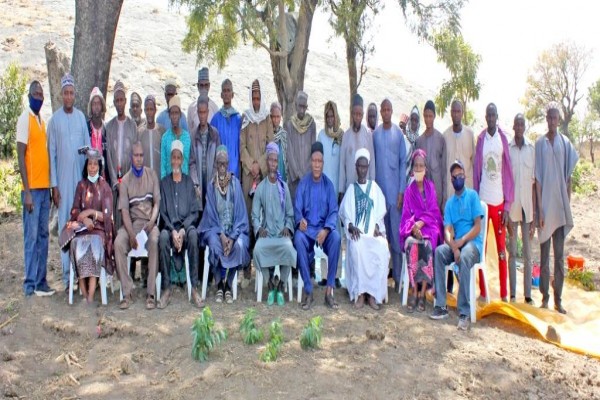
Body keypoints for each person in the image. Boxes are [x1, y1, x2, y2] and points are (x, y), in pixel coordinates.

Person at [535, 103, 579, 314]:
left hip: (560, 209)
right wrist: (539, 211)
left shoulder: (565, 143)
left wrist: (566, 204)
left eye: (555, 118)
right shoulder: (540, 144)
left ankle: (558, 300)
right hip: (545, 209)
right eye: (549, 118)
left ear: (559, 120)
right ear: (546, 119)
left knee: (559, 257)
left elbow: (568, 178)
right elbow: (538, 180)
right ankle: (544, 297)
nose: (552, 121)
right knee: (544, 256)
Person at [430, 160, 484, 331]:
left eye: (461, 175)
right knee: (439, 252)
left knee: (466, 255)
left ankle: (464, 312)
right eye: (455, 177)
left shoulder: (473, 196)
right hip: (457, 245)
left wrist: (461, 241)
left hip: (472, 244)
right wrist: (453, 246)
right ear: (451, 180)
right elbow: (447, 229)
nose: (458, 178)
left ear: (465, 176)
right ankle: (441, 306)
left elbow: (477, 227)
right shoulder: (450, 203)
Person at [48, 73, 90, 290]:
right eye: (65, 93)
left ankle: (80, 273)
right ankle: (66, 277)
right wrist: (54, 186)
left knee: (81, 227)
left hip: (79, 183)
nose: (68, 96)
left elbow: (86, 150)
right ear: (61, 95)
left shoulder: (81, 118)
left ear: (75, 95)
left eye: (71, 93)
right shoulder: (54, 121)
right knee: (66, 226)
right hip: (62, 184)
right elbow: (51, 155)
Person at [198, 146, 250, 304]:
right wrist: (221, 235)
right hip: (216, 231)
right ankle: (219, 284)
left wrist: (232, 238)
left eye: (224, 164)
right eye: (219, 163)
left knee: (240, 246)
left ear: (228, 164)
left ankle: (228, 285)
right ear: (215, 164)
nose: (221, 167)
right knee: (213, 244)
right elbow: (211, 215)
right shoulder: (211, 186)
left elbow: (241, 216)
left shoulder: (235, 184)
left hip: (234, 231)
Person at [17, 80, 54, 297]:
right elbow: (21, 155)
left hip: (44, 190)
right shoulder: (25, 119)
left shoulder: (41, 120)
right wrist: (27, 191)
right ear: (29, 95)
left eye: (41, 94)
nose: (38, 97)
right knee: (30, 237)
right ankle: (29, 283)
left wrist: (48, 189)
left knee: (42, 235)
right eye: (35, 93)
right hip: (31, 192)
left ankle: (41, 281)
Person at [473, 103, 514, 302]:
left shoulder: (503, 139)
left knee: (500, 250)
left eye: (493, 115)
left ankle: (504, 293)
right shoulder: (480, 139)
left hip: (498, 202)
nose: (490, 118)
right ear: (485, 116)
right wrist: (475, 202)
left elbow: (508, 173)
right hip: (482, 202)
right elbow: (475, 172)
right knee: (480, 248)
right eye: (487, 115)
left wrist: (507, 206)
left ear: (497, 117)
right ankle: (482, 291)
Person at [339, 148, 389, 310]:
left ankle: (373, 294)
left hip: (372, 235)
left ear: (368, 167)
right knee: (357, 247)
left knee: (381, 247)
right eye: (359, 167)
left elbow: (380, 212)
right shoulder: (351, 189)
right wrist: (351, 226)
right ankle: (360, 294)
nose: (362, 170)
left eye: (365, 167)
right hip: (359, 235)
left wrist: (376, 226)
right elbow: (345, 215)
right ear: (355, 167)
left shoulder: (374, 187)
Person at [293, 142, 341, 310]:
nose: (316, 164)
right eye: (314, 161)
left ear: (323, 163)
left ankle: (329, 290)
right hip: (308, 231)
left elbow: (334, 211)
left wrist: (327, 230)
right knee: (298, 238)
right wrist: (300, 220)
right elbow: (297, 208)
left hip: (323, 230)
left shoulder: (328, 185)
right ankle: (308, 290)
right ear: (310, 162)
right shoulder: (303, 184)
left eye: (319, 161)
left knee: (336, 238)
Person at [114, 142, 160, 310]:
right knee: (118, 243)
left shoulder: (152, 175)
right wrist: (131, 234)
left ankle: (151, 294)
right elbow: (124, 211)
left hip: (149, 224)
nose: (139, 159)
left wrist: (152, 222)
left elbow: (156, 204)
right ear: (131, 157)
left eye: (141, 155)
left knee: (155, 241)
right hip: (131, 225)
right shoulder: (125, 180)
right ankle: (127, 293)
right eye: (136, 155)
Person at [158, 140, 203, 309]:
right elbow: (163, 212)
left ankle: (194, 289)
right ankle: (166, 289)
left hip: (185, 229)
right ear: (170, 160)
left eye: (179, 158)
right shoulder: (164, 183)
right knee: (162, 238)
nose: (176, 161)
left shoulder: (188, 182)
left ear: (182, 161)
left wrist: (183, 230)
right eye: (173, 158)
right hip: (170, 230)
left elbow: (194, 212)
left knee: (193, 235)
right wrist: (172, 231)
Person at [66, 149, 114, 304]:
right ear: (86, 166)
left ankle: (91, 296)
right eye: (90, 164)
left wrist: (90, 212)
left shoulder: (104, 186)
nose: (92, 167)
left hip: (99, 230)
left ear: (99, 167)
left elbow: (107, 216)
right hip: (82, 229)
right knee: (76, 245)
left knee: (94, 245)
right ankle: (85, 294)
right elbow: (75, 211)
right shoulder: (81, 186)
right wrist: (84, 219)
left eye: (95, 164)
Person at [251, 143, 297, 306]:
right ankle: (270, 283)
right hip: (267, 235)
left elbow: (290, 213)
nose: (272, 163)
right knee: (257, 250)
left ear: (278, 163)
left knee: (290, 250)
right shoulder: (261, 188)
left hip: (281, 235)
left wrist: (288, 227)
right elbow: (255, 215)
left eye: (275, 160)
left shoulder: (283, 187)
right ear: (267, 162)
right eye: (270, 160)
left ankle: (282, 284)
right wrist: (259, 228)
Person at [399, 149, 444, 312]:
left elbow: (434, 212)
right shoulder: (409, 191)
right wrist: (413, 227)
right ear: (412, 169)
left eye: (421, 166)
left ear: (425, 169)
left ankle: (423, 293)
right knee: (411, 244)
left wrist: (421, 223)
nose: (418, 169)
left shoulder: (430, 187)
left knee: (426, 244)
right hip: (413, 230)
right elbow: (405, 215)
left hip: (429, 227)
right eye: (416, 166)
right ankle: (414, 290)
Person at [373, 99, 406, 287]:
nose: (386, 112)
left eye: (388, 109)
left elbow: (403, 163)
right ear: (380, 112)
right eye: (383, 109)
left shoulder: (398, 135)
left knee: (395, 237)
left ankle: (400, 279)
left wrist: (401, 191)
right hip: (379, 197)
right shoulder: (375, 135)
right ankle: (380, 279)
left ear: (392, 111)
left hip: (395, 196)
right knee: (380, 238)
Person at [508, 114, 536, 305]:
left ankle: (527, 295)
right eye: (516, 123)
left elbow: (534, 184)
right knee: (512, 253)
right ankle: (512, 295)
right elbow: (505, 182)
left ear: (524, 127)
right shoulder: (507, 150)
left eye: (521, 124)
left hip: (527, 208)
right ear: (513, 126)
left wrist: (534, 215)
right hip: (512, 208)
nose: (519, 127)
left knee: (527, 253)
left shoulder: (531, 150)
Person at [316, 100, 344, 287]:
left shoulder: (341, 137)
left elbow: (342, 164)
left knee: (337, 233)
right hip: (323, 191)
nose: (330, 119)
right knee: (324, 231)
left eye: (332, 116)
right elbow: (317, 164)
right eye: (327, 116)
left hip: (337, 191)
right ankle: (325, 276)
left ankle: (336, 275)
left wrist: (341, 189)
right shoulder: (321, 135)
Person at [105, 80, 138, 230]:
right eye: (116, 101)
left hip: (128, 179)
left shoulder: (132, 126)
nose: (119, 103)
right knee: (115, 219)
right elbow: (109, 158)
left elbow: (135, 155)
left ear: (125, 101)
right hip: (114, 182)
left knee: (128, 217)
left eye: (121, 100)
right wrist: (115, 182)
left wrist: (126, 181)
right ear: (114, 102)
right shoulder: (109, 126)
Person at [241, 79, 274, 220]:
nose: (256, 102)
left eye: (258, 99)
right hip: (248, 174)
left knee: (263, 210)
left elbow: (271, 145)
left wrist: (259, 166)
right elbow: (241, 146)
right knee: (248, 211)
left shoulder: (267, 118)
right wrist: (251, 166)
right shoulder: (246, 117)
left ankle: (262, 242)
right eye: (253, 98)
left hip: (263, 173)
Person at [339, 94, 376, 202]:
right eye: (355, 114)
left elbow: (372, 161)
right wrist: (341, 190)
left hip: (365, 189)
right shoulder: (346, 136)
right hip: (349, 189)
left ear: (363, 115)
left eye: (360, 114)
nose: (357, 117)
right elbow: (342, 164)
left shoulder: (368, 135)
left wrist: (372, 186)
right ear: (352, 114)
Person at [189, 95, 221, 209]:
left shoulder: (214, 134)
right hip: (198, 179)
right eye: (200, 113)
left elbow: (217, 161)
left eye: (204, 112)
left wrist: (212, 181)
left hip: (211, 179)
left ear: (208, 112)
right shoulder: (193, 135)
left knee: (210, 207)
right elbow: (191, 162)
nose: (202, 116)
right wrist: (195, 183)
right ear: (197, 113)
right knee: (198, 210)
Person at [285, 91, 317, 200]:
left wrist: (307, 173)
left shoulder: (311, 124)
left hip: (308, 176)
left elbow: (313, 150)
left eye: (304, 107)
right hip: (294, 178)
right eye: (300, 106)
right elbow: (289, 152)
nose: (302, 110)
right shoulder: (290, 125)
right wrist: (298, 173)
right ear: (295, 105)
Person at [415, 100, 446, 211]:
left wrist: (444, 197)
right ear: (423, 116)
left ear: (434, 117)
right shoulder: (419, 141)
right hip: (423, 191)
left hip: (438, 191)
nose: (428, 119)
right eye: (426, 116)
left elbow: (444, 170)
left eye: (430, 116)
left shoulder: (440, 139)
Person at [443, 100, 474, 202]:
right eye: (454, 111)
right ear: (451, 113)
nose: (456, 114)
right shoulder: (445, 136)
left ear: (462, 113)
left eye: (458, 111)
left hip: (467, 188)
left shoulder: (470, 134)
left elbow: (474, 162)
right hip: (451, 191)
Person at [210, 79, 243, 178]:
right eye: (224, 91)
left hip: (235, 168)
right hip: (219, 168)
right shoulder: (215, 119)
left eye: (229, 91)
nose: (226, 93)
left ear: (232, 94)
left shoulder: (238, 119)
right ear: (221, 95)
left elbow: (241, 145)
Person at [160, 95, 191, 178]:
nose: (174, 116)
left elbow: (189, 162)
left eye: (176, 113)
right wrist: (164, 184)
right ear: (169, 115)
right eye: (172, 113)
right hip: (169, 184)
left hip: (184, 183)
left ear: (180, 115)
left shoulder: (187, 137)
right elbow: (163, 164)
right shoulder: (165, 138)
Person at [138, 94, 166, 180]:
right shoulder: (139, 132)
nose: (149, 112)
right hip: (144, 180)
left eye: (151, 109)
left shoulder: (162, 131)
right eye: (147, 110)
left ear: (155, 110)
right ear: (144, 111)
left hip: (159, 179)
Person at [86, 87, 109, 185]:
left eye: (98, 103)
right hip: (88, 177)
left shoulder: (106, 128)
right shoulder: (85, 128)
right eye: (94, 104)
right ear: (91, 107)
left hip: (103, 178)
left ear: (102, 106)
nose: (96, 106)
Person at [187, 67, 219, 135]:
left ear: (209, 86)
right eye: (201, 85)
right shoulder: (191, 108)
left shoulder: (214, 108)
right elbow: (189, 131)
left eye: (206, 85)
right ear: (198, 86)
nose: (204, 88)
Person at [270, 102, 288, 181]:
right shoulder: (267, 134)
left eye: (278, 117)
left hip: (282, 172)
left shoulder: (284, 135)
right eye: (273, 117)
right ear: (270, 117)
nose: (276, 120)